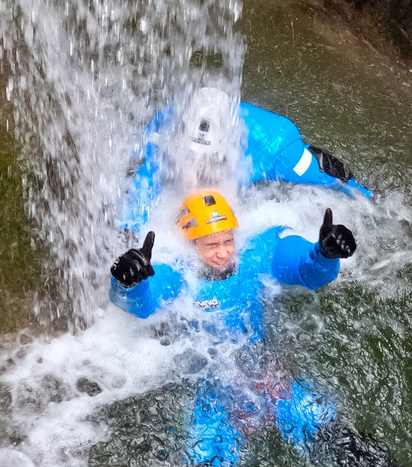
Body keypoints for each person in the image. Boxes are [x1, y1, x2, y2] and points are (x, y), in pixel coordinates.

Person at [109, 190, 388, 466]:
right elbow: (142, 305)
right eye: (211, 245)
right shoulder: (177, 275)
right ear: (191, 244)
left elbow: (304, 269)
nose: (223, 252)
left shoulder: (256, 256)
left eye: (228, 240)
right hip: (213, 395)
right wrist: (129, 282)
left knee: (343, 443)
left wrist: (323, 255)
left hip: (268, 380)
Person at [122, 88, 372, 236]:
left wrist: (366, 198)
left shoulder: (278, 146)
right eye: (192, 153)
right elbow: (143, 176)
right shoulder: (165, 123)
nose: (199, 164)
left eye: (209, 157)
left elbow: (324, 170)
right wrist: (127, 229)